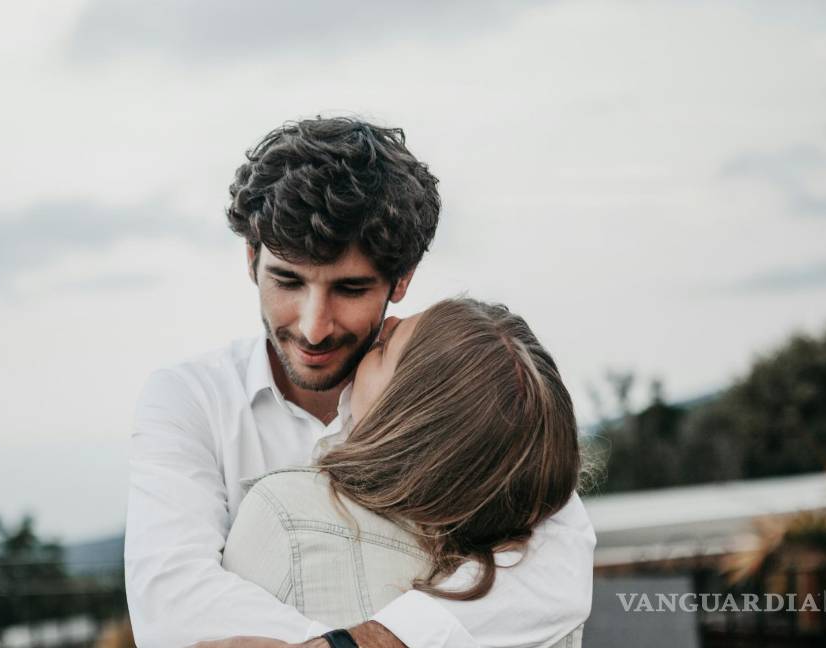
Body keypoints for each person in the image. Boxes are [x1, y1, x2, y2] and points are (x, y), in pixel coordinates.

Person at [124, 117, 596, 647]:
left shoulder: (447, 386)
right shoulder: (189, 399)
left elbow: (557, 558)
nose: (313, 326)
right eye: (287, 280)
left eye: (349, 289)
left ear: (402, 280)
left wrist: (362, 644)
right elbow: (170, 602)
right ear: (252, 259)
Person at [222, 298, 586, 648]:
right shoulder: (543, 551)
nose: (387, 323)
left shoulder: (285, 516)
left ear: (401, 425)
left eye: (383, 350)